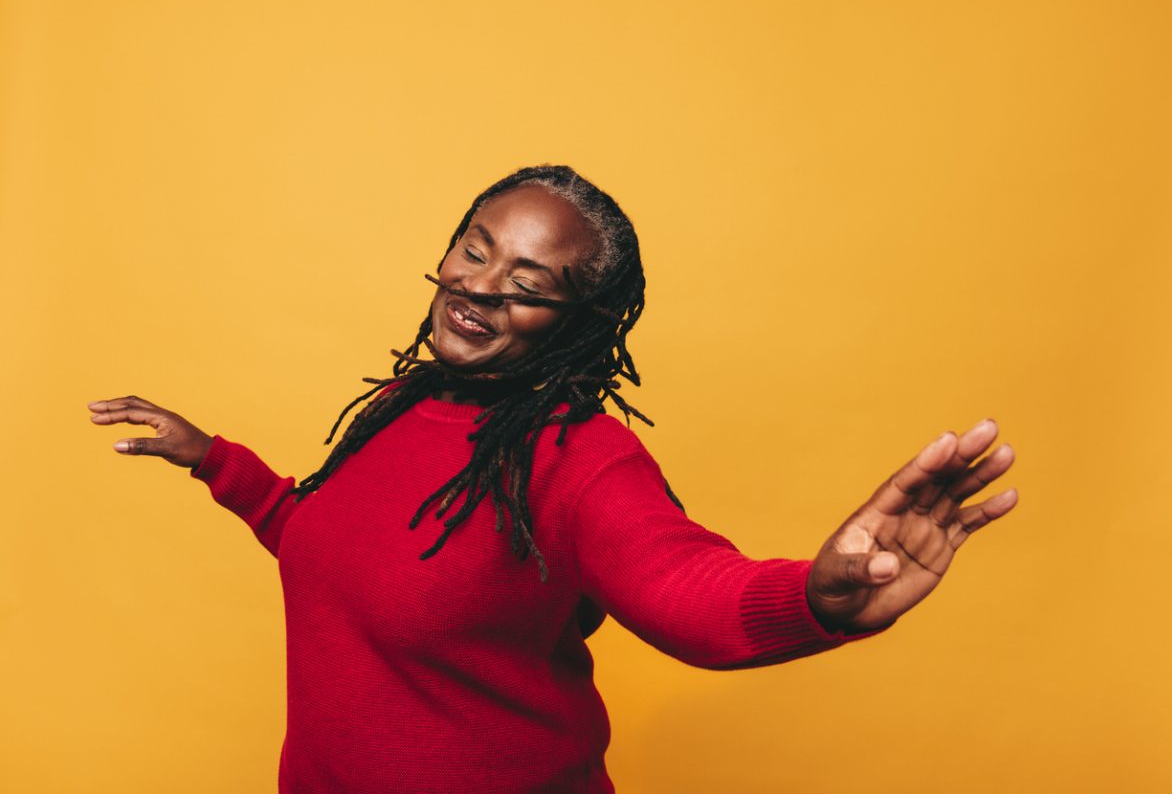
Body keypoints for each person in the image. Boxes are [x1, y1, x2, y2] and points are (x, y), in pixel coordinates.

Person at [87, 164, 1018, 793]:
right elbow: (332, 547)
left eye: (531, 284)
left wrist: (817, 597)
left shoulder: (578, 455)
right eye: (477, 247)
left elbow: (682, 587)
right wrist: (216, 461)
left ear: (576, 321)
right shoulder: (406, 401)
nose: (483, 286)